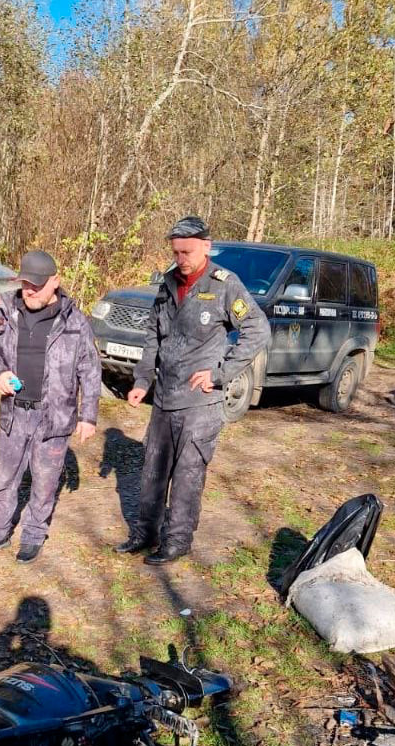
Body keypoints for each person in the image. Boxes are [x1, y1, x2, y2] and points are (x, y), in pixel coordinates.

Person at [116, 216, 271, 564]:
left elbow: (258, 330)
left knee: (187, 473)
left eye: (187, 251)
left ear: (205, 246)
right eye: (175, 252)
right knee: (153, 469)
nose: (181, 258)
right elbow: (153, 337)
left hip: (200, 402)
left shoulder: (224, 285)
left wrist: (221, 373)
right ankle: (145, 533)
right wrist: (142, 381)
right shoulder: (168, 284)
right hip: (165, 397)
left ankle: (177, 541)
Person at [0, 250, 101, 564]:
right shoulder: (5, 310)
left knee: (44, 482)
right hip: (14, 414)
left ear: (55, 282)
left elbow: (90, 368)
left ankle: (32, 535)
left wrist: (88, 416)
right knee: (4, 478)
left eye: (37, 285)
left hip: (54, 418)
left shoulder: (74, 320)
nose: (29, 290)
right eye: (25, 283)